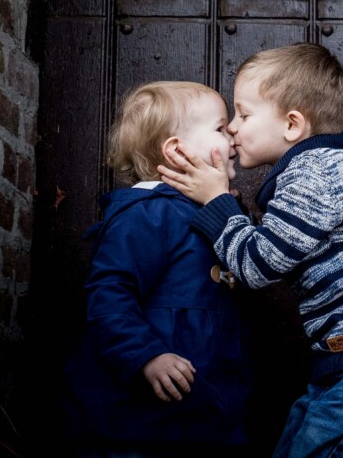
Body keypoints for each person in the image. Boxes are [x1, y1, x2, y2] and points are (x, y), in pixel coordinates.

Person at [158, 43, 343, 458]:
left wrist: (217, 202)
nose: (232, 128)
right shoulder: (313, 171)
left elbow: (257, 265)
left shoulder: (314, 174)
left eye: (244, 115)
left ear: (292, 125)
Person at [63, 80, 253, 458]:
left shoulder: (208, 213)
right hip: (141, 419)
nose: (232, 133)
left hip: (202, 408)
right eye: (219, 128)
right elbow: (110, 294)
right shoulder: (149, 214)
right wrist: (146, 356)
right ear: (176, 151)